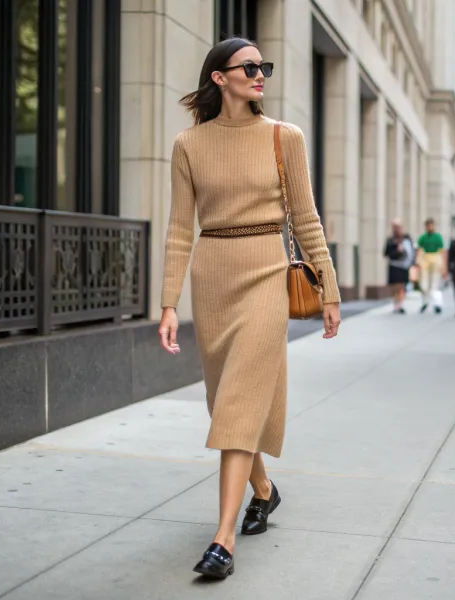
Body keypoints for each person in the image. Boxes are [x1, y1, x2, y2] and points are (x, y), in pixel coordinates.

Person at [157, 37, 341, 580]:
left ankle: (223, 537)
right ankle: (264, 490)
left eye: (265, 67)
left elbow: (305, 219)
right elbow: (176, 230)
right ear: (220, 77)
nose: (261, 74)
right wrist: (168, 302)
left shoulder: (285, 138)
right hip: (212, 278)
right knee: (225, 403)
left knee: (238, 400)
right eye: (250, 67)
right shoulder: (189, 144)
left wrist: (328, 288)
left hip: (266, 272)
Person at [416, 218, 447, 314]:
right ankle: (425, 302)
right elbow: (419, 250)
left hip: (435, 261)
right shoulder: (423, 238)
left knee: (435, 284)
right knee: (424, 284)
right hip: (425, 260)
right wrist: (417, 262)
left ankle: (437, 304)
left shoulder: (438, 237)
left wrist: (444, 267)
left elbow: (442, 252)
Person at [384, 218, 414, 313]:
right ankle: (395, 304)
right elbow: (386, 253)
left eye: (398, 227)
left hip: (404, 266)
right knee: (395, 286)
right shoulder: (390, 240)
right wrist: (397, 250)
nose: (397, 229)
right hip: (394, 265)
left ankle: (400, 305)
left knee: (401, 285)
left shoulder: (406, 239)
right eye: (395, 227)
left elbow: (411, 251)